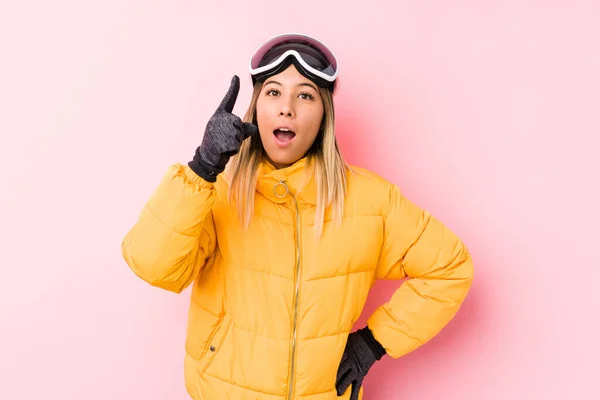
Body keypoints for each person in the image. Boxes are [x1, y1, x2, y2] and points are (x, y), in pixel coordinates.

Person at [121, 33, 474, 400]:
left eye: (305, 95)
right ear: (257, 107)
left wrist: (372, 343)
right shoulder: (216, 191)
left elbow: (451, 267)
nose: (286, 107)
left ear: (324, 114)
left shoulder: (371, 201)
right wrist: (203, 166)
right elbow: (152, 265)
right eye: (273, 92)